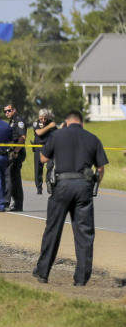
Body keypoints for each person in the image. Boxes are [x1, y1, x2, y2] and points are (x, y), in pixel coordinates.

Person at [33, 110, 107, 286]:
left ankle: (43, 272)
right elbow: (101, 169)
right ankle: (81, 279)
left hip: (62, 185)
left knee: (53, 229)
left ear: (67, 121)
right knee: (84, 234)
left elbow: (43, 158)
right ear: (81, 122)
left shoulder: (58, 135)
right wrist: (94, 186)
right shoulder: (92, 138)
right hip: (83, 187)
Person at [2, 103, 27, 212]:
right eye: (5, 111)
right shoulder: (12, 121)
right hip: (12, 151)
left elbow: (22, 138)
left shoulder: (19, 121)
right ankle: (17, 204)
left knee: (10, 177)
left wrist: (16, 151)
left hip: (16, 152)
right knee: (14, 178)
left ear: (14, 110)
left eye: (9, 110)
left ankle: (7, 202)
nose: (7, 113)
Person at [31, 109, 57, 195]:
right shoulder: (36, 123)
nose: (43, 120)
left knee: (50, 166)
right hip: (39, 147)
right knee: (38, 168)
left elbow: (57, 134)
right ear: (38, 117)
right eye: (41, 118)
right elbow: (39, 132)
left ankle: (49, 183)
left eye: (45, 118)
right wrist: (49, 126)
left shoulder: (51, 123)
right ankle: (39, 188)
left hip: (48, 148)